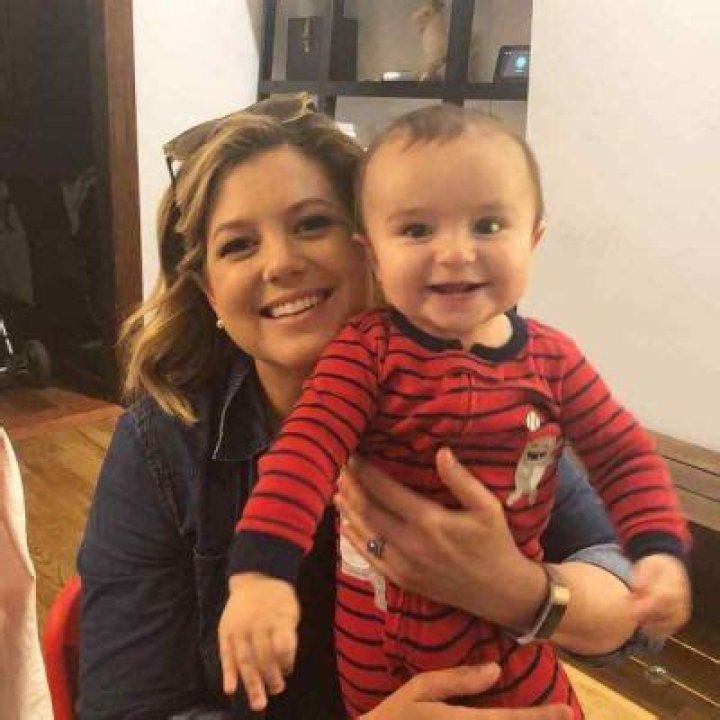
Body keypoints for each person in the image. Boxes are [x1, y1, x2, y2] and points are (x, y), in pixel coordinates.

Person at [78, 98, 658, 720]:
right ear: (210, 291)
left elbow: (628, 589)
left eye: (311, 224)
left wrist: (517, 590)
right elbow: (125, 710)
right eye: (239, 245)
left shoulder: (485, 391)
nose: (282, 263)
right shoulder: (162, 447)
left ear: (370, 248)